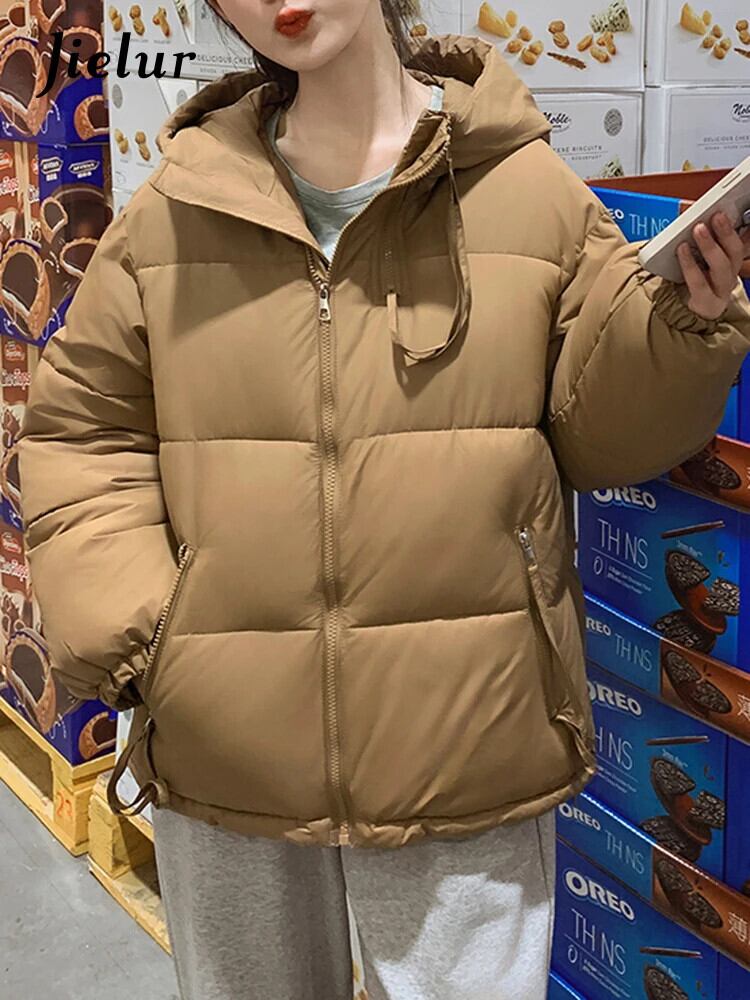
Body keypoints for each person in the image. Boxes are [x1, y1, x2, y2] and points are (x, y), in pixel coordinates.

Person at [16, 1, 750, 998]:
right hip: (229, 753)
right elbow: (82, 432)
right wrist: (154, 644)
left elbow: (602, 437)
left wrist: (681, 330)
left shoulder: (524, 191)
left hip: (471, 743)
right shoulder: (177, 211)